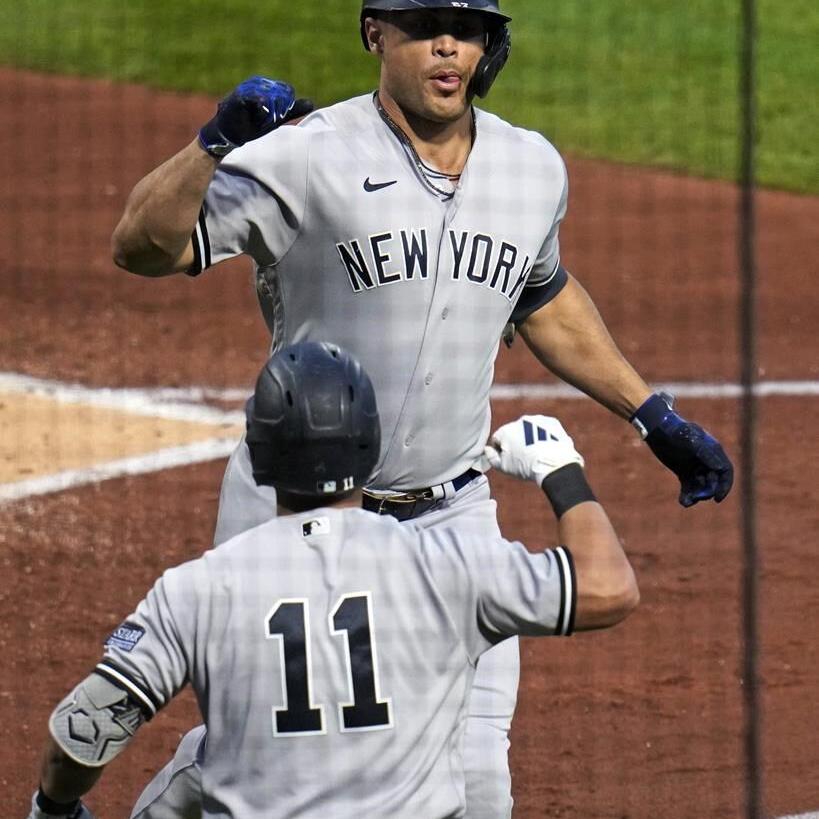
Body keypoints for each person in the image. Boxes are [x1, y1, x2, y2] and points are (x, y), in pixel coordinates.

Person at [110, 1, 732, 814]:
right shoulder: (307, 155)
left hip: (450, 518)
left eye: (467, 27)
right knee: (264, 756)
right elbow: (142, 247)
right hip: (293, 513)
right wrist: (211, 145)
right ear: (375, 34)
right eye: (424, 23)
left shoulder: (529, 167)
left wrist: (650, 412)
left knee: (475, 780)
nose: (448, 44)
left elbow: (539, 296)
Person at [26, 341, 639, 819]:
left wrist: (54, 807)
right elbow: (608, 588)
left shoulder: (198, 588)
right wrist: (561, 472)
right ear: (370, 447)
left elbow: (84, 731)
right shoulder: (449, 565)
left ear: (260, 457)